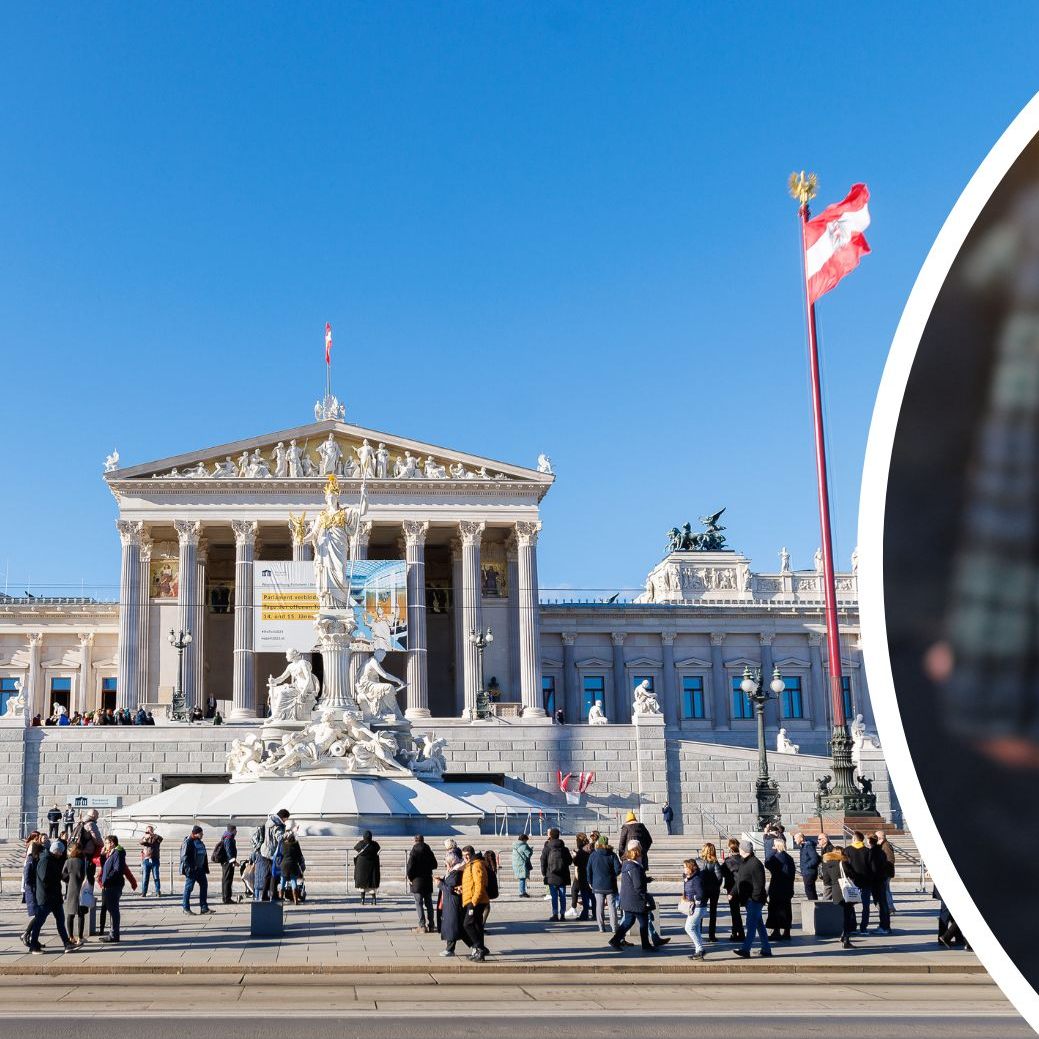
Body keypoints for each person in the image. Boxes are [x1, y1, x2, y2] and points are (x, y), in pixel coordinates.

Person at [28, 839, 75, 953]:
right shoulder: (45, 860)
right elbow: (44, 878)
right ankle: (33, 946)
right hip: (46, 897)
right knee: (39, 921)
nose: (61, 854)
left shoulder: (53, 860)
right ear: (56, 851)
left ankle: (66, 943)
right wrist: (57, 877)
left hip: (55, 897)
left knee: (60, 921)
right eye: (61, 852)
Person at [607, 846, 656, 952]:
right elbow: (638, 886)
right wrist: (644, 898)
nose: (642, 857)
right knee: (643, 922)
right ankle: (646, 944)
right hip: (636, 900)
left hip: (627, 900)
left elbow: (633, 880)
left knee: (628, 921)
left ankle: (615, 940)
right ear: (637, 856)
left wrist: (645, 879)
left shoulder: (626, 865)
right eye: (641, 855)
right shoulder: (635, 867)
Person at [732, 840, 771, 959]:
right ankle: (766, 949)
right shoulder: (745, 862)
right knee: (759, 925)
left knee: (751, 925)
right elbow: (740, 879)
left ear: (743, 850)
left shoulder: (755, 863)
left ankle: (745, 949)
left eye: (740, 848)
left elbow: (759, 884)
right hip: (749, 900)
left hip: (754, 900)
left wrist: (754, 899)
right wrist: (733, 892)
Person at [819, 845, 858, 949]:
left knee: (841, 915)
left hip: (836, 892)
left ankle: (843, 935)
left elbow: (826, 881)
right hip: (845, 891)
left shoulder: (827, 864)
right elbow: (852, 875)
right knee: (847, 916)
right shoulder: (843, 863)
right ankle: (846, 939)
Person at [460, 845, 490, 961]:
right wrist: (462, 888)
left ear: (472, 854)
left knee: (467, 924)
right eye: (464, 856)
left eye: (467, 855)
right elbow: (472, 883)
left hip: (476, 900)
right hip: (472, 898)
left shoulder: (476, 864)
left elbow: (480, 884)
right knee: (477, 926)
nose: (466, 857)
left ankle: (479, 947)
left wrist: (474, 901)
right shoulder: (470, 864)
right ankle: (479, 954)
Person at [587, 835, 621, 933]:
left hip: (597, 884)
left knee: (599, 906)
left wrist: (590, 881)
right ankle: (614, 927)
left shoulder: (593, 855)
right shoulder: (612, 855)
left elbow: (588, 870)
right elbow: (618, 869)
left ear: (599, 843)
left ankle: (601, 927)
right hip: (610, 885)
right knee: (612, 906)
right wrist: (612, 875)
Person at [764, 838, 796, 941]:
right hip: (787, 888)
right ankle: (787, 931)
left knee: (775, 909)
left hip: (777, 887)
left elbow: (767, 863)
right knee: (786, 909)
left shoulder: (776, 858)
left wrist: (771, 852)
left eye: (773, 845)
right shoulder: (789, 858)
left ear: (777, 846)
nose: (772, 847)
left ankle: (776, 931)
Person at [437, 848, 466, 957]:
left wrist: (439, 884)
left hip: (453, 902)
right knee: (456, 927)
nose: (446, 865)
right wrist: (442, 880)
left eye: (447, 863)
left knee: (452, 925)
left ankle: (450, 949)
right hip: (449, 902)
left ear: (451, 862)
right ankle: (476, 946)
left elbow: (450, 888)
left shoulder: (456, 871)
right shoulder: (453, 870)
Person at [255, 809, 289, 902]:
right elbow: (280, 838)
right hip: (272, 853)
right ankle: (273, 896)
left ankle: (264, 896)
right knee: (274, 874)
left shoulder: (270, 820)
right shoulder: (277, 824)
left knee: (268, 875)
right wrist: (290, 833)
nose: (286, 821)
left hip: (265, 851)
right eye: (286, 819)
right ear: (283, 817)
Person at [406, 835, 438, 933]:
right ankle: (431, 925)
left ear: (415, 841)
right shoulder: (428, 850)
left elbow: (410, 867)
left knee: (419, 903)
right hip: (427, 880)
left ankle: (422, 925)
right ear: (423, 841)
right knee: (429, 903)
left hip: (417, 881)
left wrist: (410, 878)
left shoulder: (414, 851)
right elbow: (435, 865)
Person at [844, 831, 874, 933]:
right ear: (862, 840)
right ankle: (863, 927)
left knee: (849, 905)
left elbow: (845, 867)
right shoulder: (868, 851)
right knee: (866, 906)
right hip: (866, 881)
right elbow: (872, 868)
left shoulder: (847, 850)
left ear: (854, 839)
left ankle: (852, 926)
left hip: (852, 882)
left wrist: (852, 876)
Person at [540, 827, 572, 922]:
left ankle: (555, 914)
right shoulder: (564, 848)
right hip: (563, 875)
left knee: (554, 896)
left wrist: (544, 873)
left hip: (551, 875)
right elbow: (570, 861)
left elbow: (543, 861)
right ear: (559, 835)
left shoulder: (547, 847)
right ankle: (562, 914)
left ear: (550, 836)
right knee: (562, 895)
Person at [98, 835, 126, 944]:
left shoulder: (118, 853)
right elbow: (104, 865)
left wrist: (107, 880)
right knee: (111, 909)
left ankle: (114, 935)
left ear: (112, 843)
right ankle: (112, 934)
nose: (105, 845)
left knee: (113, 910)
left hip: (113, 885)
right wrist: (102, 855)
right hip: (109, 885)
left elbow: (117, 870)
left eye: (106, 843)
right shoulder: (112, 853)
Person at [180, 825, 212, 915]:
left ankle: (204, 908)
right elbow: (184, 857)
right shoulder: (188, 842)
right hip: (192, 870)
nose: (202, 834)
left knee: (204, 886)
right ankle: (186, 908)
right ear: (195, 833)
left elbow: (204, 855)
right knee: (189, 888)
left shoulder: (199, 842)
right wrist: (191, 867)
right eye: (201, 833)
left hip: (200, 869)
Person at [62, 841, 88, 946]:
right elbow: (86, 875)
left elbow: (63, 875)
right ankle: (80, 937)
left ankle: (71, 936)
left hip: (71, 889)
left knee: (70, 914)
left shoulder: (68, 861)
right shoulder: (83, 861)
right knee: (81, 915)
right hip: (81, 888)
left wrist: (69, 880)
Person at [681, 857, 707, 959]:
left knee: (689, 927)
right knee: (695, 928)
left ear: (691, 868)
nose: (684, 869)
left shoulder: (696, 879)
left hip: (698, 907)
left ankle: (700, 949)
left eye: (685, 867)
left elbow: (700, 893)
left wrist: (694, 900)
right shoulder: (689, 878)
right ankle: (698, 950)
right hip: (693, 907)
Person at [867, 834, 892, 934]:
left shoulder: (873, 852)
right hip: (881, 879)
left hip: (877, 880)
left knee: (881, 904)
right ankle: (885, 926)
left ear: (869, 842)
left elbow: (873, 868)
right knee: (883, 903)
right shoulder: (880, 851)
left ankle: (884, 926)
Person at [698, 842, 724, 942]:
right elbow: (719, 877)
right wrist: (716, 886)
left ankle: (698, 933)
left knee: (699, 912)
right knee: (713, 912)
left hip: (702, 890)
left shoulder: (698, 862)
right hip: (713, 891)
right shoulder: (714, 863)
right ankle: (711, 935)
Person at [20, 835, 42, 948]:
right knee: (38, 915)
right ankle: (26, 934)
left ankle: (33, 938)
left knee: (39, 916)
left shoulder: (34, 860)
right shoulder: (30, 860)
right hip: (32, 891)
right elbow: (27, 877)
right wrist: (33, 888)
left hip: (35, 890)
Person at [721, 837, 745, 941]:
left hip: (732, 888)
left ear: (730, 849)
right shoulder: (744, 859)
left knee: (735, 912)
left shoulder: (728, 861)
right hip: (744, 887)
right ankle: (739, 932)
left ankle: (737, 933)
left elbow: (722, 873)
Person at [567, 833, 593, 920]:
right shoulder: (591, 849)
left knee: (584, 894)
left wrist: (574, 855)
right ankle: (595, 913)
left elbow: (576, 862)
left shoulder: (582, 851)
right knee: (592, 895)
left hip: (582, 874)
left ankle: (585, 913)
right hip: (591, 874)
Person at [354, 830, 381, 904]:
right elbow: (378, 849)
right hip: (372, 867)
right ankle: (374, 899)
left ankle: (362, 900)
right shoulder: (375, 845)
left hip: (361, 866)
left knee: (362, 885)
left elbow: (356, 848)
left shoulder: (360, 844)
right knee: (372, 884)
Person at [875, 829, 897, 916]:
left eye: (876, 837)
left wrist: (883, 870)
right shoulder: (882, 845)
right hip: (885, 872)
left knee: (885, 890)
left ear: (880, 837)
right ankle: (890, 907)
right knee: (886, 890)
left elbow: (890, 860)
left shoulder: (886, 846)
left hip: (886, 872)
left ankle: (889, 907)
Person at [279, 832, 305, 904]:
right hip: (293, 865)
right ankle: (296, 900)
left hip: (284, 865)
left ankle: (280, 898)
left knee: (283, 882)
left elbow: (280, 854)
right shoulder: (296, 845)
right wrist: (301, 865)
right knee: (293, 881)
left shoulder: (283, 844)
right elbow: (300, 855)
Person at [793, 832, 820, 900]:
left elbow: (815, 858)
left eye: (796, 838)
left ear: (801, 838)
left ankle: (814, 905)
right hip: (807, 872)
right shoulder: (803, 846)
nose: (794, 840)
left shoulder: (808, 846)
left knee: (809, 890)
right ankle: (814, 904)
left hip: (809, 872)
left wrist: (806, 866)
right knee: (810, 890)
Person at [215, 825, 238, 904]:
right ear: (232, 830)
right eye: (235, 830)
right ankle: (226, 898)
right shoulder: (228, 838)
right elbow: (229, 851)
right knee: (227, 880)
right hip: (227, 862)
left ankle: (226, 897)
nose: (236, 832)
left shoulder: (228, 837)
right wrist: (233, 861)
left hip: (227, 862)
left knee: (226, 879)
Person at [139, 826, 163, 897]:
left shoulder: (156, 838)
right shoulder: (145, 838)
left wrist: (153, 835)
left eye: (150, 830)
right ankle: (144, 892)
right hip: (146, 860)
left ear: (152, 831)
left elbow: (161, 839)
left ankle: (158, 891)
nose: (149, 832)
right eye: (147, 831)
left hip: (155, 859)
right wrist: (146, 838)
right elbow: (141, 842)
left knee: (156, 876)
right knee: (145, 877)